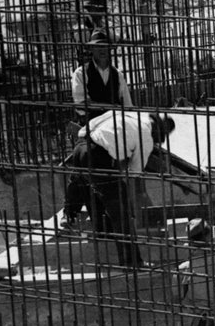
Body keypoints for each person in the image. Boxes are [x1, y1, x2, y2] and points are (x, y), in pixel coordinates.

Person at [56, 110, 176, 267]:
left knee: (88, 189)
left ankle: (71, 218)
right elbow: (135, 171)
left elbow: (88, 129)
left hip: (79, 147)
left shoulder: (123, 115)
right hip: (98, 157)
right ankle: (133, 262)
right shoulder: (145, 136)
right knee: (120, 211)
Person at [69, 30, 134, 121]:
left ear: (109, 49)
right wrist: (111, 107)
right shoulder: (80, 73)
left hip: (116, 123)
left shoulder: (117, 74)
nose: (102, 50)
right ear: (91, 49)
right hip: (91, 123)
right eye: (98, 46)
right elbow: (81, 103)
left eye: (104, 46)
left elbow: (127, 104)